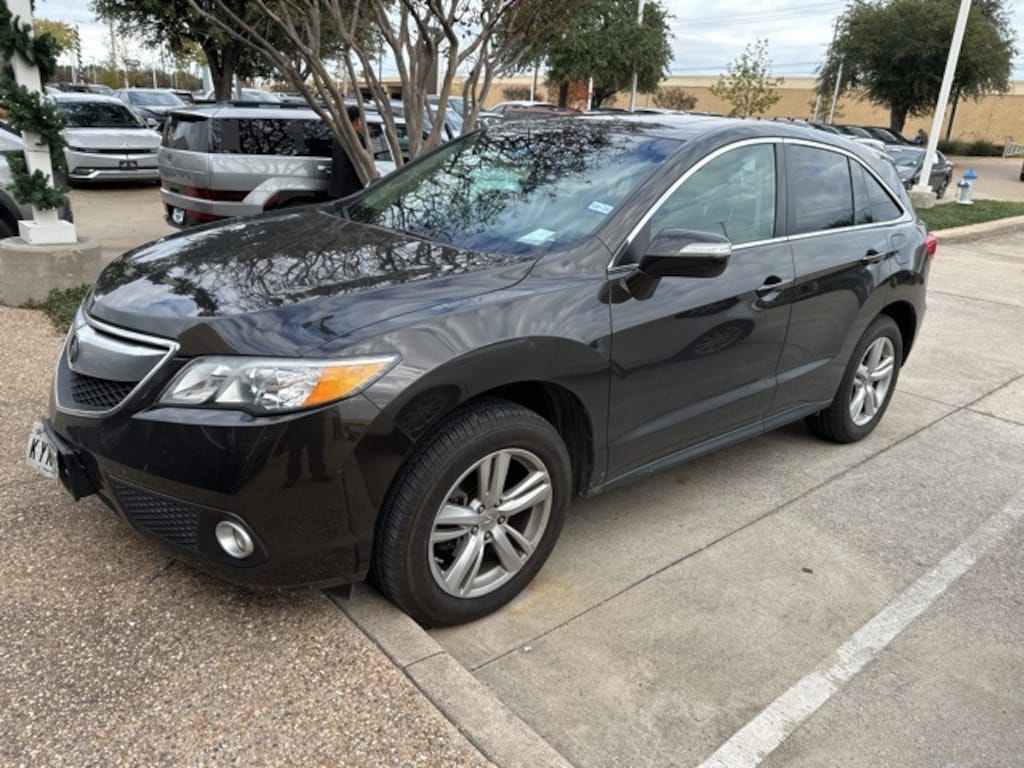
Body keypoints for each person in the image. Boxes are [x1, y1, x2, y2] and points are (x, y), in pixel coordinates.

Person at [328, 104, 366, 199]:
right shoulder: (357, 139)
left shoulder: (340, 137)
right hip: (352, 190)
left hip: (338, 189)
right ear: (357, 121)